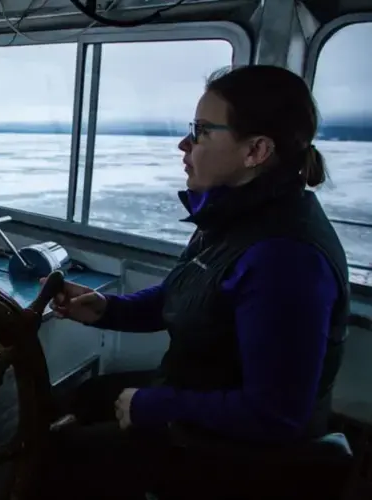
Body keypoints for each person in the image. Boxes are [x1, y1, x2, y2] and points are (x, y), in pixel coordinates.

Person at [38, 65, 350, 499]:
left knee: (58, 456)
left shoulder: (285, 257)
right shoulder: (235, 215)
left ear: (255, 150)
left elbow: (277, 414)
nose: (184, 145)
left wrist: (152, 405)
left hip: (234, 456)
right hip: (200, 392)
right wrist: (110, 309)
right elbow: (186, 293)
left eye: (201, 131)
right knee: (88, 395)